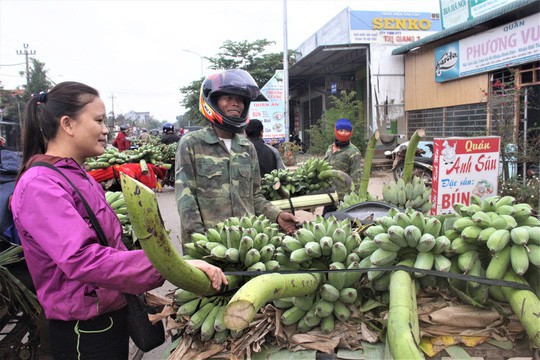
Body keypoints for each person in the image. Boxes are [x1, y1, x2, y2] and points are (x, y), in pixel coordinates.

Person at [10, 82, 227, 359]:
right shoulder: (40, 185)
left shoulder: (78, 175)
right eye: (99, 120)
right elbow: (83, 259)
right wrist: (172, 266)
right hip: (83, 329)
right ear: (68, 124)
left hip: (109, 316)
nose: (106, 130)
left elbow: (110, 245)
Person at [175, 69, 299, 242]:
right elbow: (186, 200)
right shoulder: (191, 144)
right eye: (228, 98)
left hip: (246, 242)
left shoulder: (247, 148)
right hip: (208, 245)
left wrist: (277, 215)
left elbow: (255, 196)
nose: (236, 104)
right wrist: (202, 240)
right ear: (214, 102)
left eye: (240, 100)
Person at [322, 118, 362, 214]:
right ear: (336, 131)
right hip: (329, 194)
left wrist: (353, 199)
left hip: (343, 198)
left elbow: (356, 177)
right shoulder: (330, 148)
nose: (343, 133)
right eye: (341, 130)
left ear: (351, 132)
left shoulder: (353, 152)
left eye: (346, 131)